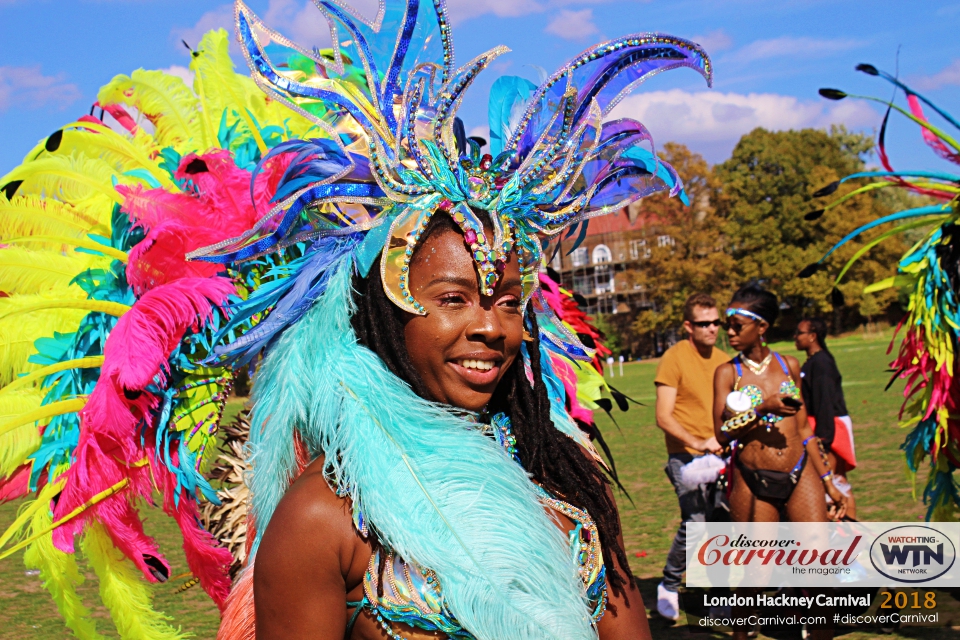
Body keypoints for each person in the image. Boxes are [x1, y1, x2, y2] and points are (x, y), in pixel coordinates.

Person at [0, 1, 715, 638]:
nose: (491, 328)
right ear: (385, 316)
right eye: (452, 299)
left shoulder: (565, 474)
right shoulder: (322, 521)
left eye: (505, 303)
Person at [713, 286, 847, 640]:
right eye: (727, 325)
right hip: (752, 477)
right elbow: (723, 433)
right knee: (755, 575)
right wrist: (762, 408)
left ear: (762, 326)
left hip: (800, 471)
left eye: (736, 325)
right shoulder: (728, 373)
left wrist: (830, 481)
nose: (729, 332)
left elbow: (804, 428)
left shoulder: (789, 365)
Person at [653, 293, 728, 621]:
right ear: (688, 326)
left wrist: (725, 439)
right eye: (704, 323)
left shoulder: (726, 361)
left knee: (721, 524)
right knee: (696, 522)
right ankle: (669, 584)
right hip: (685, 456)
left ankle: (718, 597)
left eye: (716, 322)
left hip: (721, 455)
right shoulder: (675, 357)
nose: (711, 329)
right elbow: (664, 416)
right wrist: (700, 442)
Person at [795, 317, 858, 518]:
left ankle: (850, 529)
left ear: (812, 336)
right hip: (822, 424)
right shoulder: (813, 361)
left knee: (834, 478)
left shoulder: (821, 363)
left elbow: (825, 402)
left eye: (799, 333)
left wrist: (823, 438)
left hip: (829, 426)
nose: (795, 337)